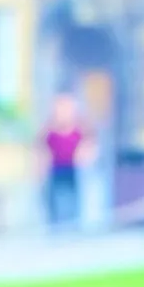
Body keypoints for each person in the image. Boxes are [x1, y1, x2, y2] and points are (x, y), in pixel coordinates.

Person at [39, 93, 92, 232]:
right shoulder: (49, 130)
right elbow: (41, 147)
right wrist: (41, 164)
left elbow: (89, 145)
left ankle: (76, 225)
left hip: (74, 169)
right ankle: (54, 225)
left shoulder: (80, 129)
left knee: (76, 199)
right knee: (53, 199)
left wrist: (83, 156)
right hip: (55, 169)